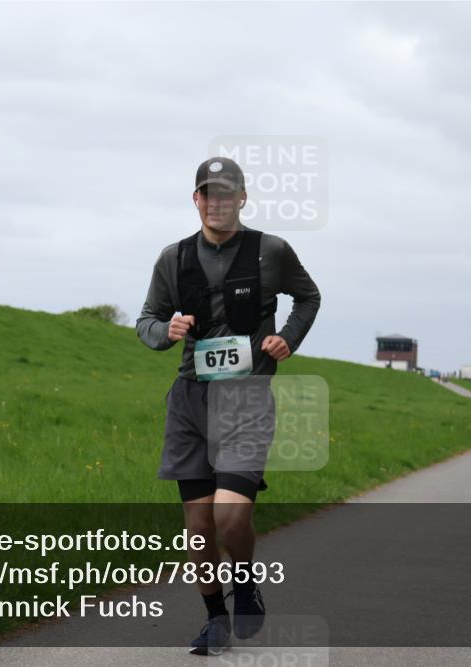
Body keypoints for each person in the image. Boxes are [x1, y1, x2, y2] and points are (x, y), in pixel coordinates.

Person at [136, 156, 321, 656]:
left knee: (231, 518)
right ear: (195, 199)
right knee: (198, 526)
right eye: (206, 193)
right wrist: (164, 331)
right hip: (191, 401)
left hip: (247, 398)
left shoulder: (271, 251)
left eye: (226, 193)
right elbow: (147, 319)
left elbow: (308, 298)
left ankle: (244, 581)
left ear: (242, 198)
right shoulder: (172, 259)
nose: (215, 202)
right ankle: (215, 616)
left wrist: (287, 338)